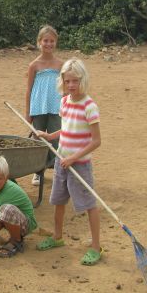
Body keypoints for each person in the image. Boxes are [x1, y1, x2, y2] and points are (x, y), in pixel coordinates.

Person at [36, 58, 103, 266]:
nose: (71, 85)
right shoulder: (64, 102)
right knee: (58, 201)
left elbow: (96, 141)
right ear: (62, 82)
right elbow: (66, 129)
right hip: (61, 160)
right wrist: (49, 136)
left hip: (79, 164)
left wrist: (74, 158)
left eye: (75, 81)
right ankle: (57, 237)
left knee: (89, 205)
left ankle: (96, 247)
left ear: (83, 80)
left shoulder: (89, 106)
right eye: (68, 81)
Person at [25, 25, 63, 186]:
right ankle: (38, 172)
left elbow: (66, 88)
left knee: (56, 141)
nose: (48, 44)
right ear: (39, 42)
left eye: (52, 41)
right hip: (38, 107)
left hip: (56, 108)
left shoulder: (61, 64)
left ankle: (57, 171)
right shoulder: (33, 65)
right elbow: (29, 90)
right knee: (39, 141)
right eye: (45, 41)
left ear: (56, 43)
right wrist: (28, 113)